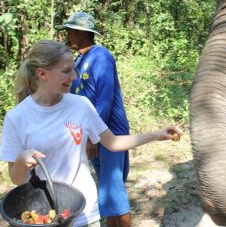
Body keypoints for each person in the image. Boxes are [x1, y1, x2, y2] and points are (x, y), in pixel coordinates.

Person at [0, 40, 182, 227]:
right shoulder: (17, 117)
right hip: (44, 215)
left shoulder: (81, 105)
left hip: (83, 211)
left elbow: (112, 143)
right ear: (42, 74)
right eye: (66, 71)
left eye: (73, 69)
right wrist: (22, 161)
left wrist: (156, 135)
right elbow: (17, 179)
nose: (74, 76)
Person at [58, 11, 132, 227]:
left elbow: (104, 101)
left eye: (70, 31)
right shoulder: (79, 61)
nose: (67, 35)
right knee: (106, 191)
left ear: (81, 32)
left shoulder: (101, 57)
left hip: (110, 134)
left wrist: (93, 138)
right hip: (92, 136)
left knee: (113, 191)